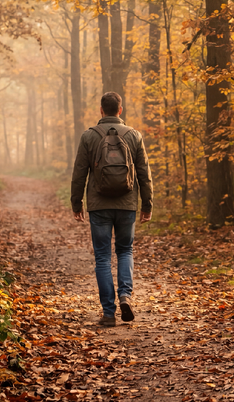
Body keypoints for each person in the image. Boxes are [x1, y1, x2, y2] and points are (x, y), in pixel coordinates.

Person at [71, 92, 153, 327]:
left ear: (101, 110)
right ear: (120, 110)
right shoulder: (134, 135)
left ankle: (109, 313)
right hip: (127, 204)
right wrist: (146, 204)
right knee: (125, 250)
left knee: (103, 257)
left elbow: (79, 172)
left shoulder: (89, 136)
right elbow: (144, 174)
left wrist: (77, 202)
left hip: (99, 205)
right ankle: (125, 295)